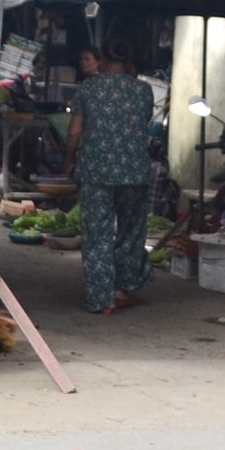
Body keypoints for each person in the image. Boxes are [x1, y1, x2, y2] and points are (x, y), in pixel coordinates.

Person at [64, 56, 156, 313]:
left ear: (103, 62)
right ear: (129, 65)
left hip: (96, 172)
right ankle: (123, 287)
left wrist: (68, 160)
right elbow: (143, 122)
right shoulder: (143, 90)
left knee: (97, 236)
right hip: (134, 171)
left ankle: (102, 300)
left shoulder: (88, 88)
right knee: (131, 231)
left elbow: (74, 131)